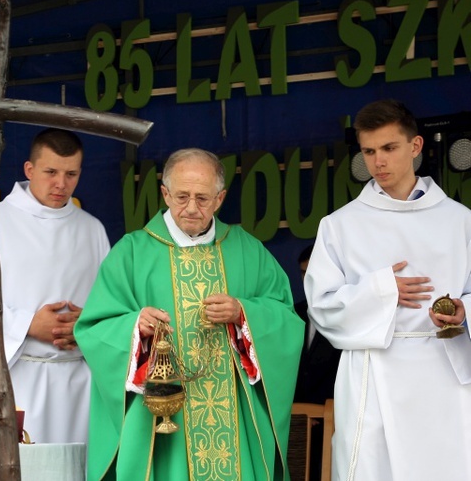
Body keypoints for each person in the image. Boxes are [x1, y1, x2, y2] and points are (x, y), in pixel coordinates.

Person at [74, 148, 303, 480]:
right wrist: (136, 327)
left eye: (203, 198)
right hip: (161, 411)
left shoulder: (246, 249)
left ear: (220, 198)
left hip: (232, 416)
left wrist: (244, 314)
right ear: (165, 193)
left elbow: (286, 320)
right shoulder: (133, 252)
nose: (192, 208)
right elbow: (95, 328)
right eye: (182, 196)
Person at [304, 99, 471, 480]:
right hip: (374, 371)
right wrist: (382, 291)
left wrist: (463, 311)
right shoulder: (340, 225)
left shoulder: (460, 222)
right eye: (368, 151)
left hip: (444, 374)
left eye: (389, 148)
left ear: (415, 147)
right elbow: (322, 307)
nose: (378, 162)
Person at [0, 128, 110, 444]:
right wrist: (27, 325)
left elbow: (110, 305)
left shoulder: (92, 230)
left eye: (71, 174)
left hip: (79, 384)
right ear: (29, 169)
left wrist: (86, 323)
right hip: (16, 378)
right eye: (51, 172)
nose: (61, 184)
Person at [293, 244, 340, 405]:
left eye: (312, 274)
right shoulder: (295, 312)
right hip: (297, 415)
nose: (307, 280)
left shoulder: (343, 312)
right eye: (303, 273)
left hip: (332, 413)